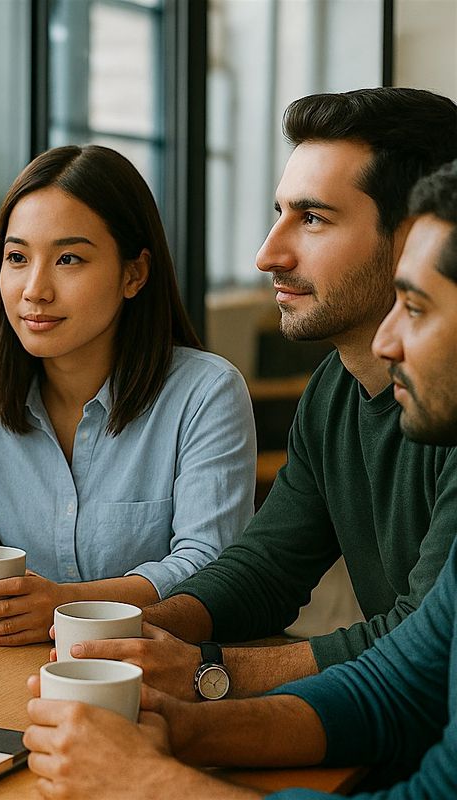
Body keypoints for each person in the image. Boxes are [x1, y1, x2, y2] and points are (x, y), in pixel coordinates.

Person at [24, 158, 457, 800]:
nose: (266, 254)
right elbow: (396, 686)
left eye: (415, 307)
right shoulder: (333, 390)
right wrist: (184, 725)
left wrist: (151, 778)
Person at [75, 88, 457, 701]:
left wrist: (208, 674)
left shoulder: (451, 408)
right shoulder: (335, 385)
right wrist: (132, 635)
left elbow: (426, 642)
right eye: (279, 213)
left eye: (312, 218)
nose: (266, 255)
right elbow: (269, 567)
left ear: (415, 237)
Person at [0, 145, 256, 644]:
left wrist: (64, 606)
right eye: (17, 257)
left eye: (68, 259)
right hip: (16, 666)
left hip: (153, 671)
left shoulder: (206, 393)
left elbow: (210, 565)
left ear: (134, 274)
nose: (34, 289)